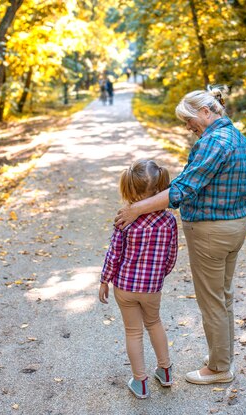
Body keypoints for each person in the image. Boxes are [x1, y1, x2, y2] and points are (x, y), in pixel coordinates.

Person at [115, 85, 246, 385]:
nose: (188, 127)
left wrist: (137, 208)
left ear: (206, 112)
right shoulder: (237, 137)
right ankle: (222, 355)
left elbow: (181, 189)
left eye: (189, 120)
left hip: (211, 232)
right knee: (224, 297)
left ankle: (218, 369)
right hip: (236, 225)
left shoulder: (214, 142)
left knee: (212, 302)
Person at [99, 159, 178, 399]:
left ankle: (140, 382)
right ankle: (165, 372)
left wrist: (104, 279)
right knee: (154, 323)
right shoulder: (169, 221)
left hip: (125, 286)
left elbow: (114, 254)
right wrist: (158, 275)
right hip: (151, 287)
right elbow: (171, 255)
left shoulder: (125, 219)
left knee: (133, 332)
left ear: (130, 190)